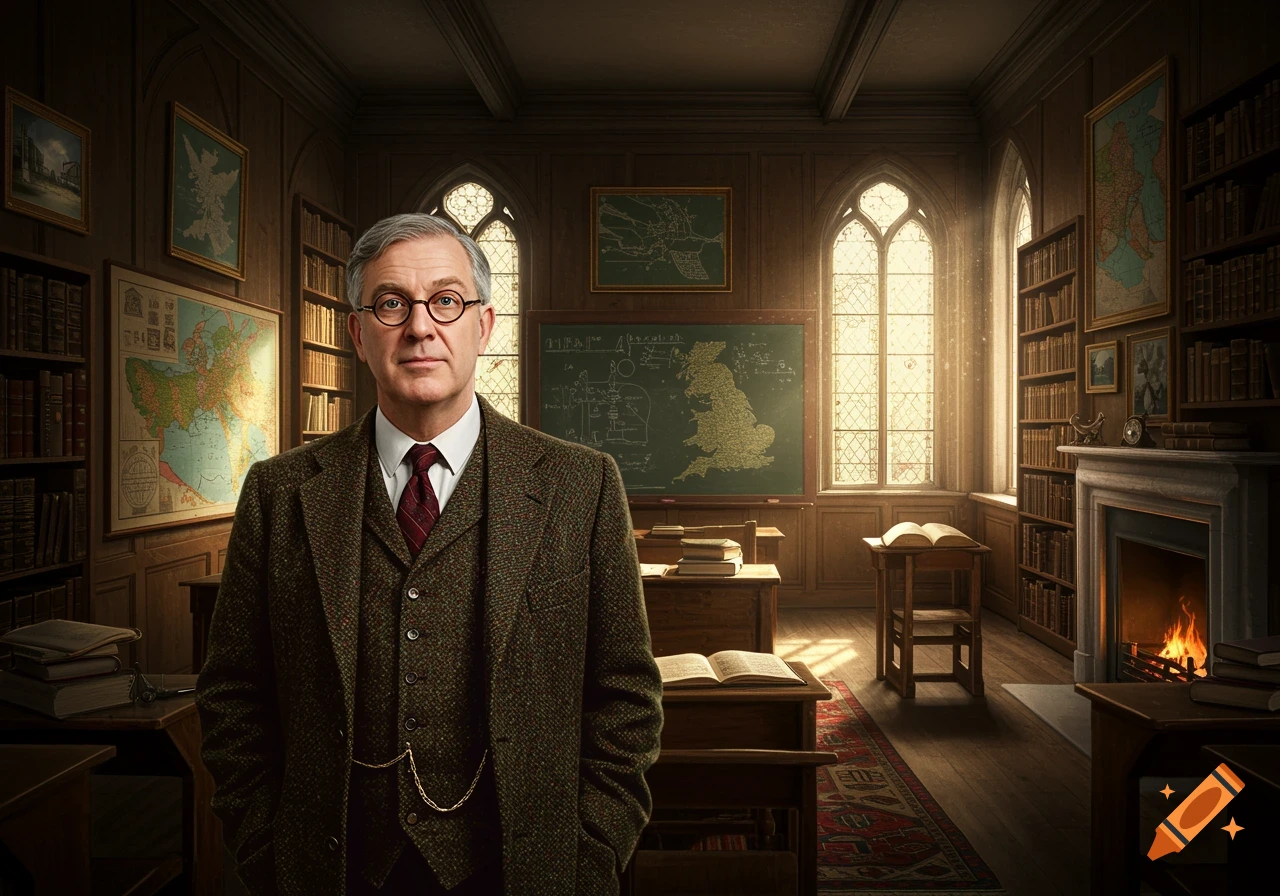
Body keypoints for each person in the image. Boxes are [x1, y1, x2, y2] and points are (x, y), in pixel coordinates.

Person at [196, 213, 664, 896]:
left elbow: (627, 695)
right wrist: (269, 850)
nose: (420, 327)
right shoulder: (279, 492)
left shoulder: (580, 484)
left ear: (484, 324)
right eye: (392, 303)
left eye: (446, 300)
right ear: (358, 332)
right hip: (331, 870)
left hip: (526, 871)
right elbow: (233, 692)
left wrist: (589, 855)